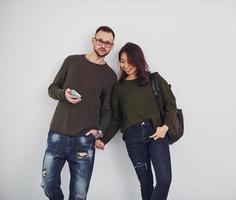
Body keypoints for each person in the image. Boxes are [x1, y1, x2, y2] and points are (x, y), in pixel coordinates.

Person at [41, 26, 117, 200]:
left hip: (84, 141)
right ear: (93, 40)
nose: (103, 45)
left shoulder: (110, 76)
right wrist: (63, 94)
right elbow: (52, 89)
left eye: (108, 43)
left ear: (112, 46)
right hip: (57, 135)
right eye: (100, 40)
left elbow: (107, 111)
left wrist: (100, 132)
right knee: (47, 183)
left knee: (79, 195)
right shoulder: (72, 61)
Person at [99, 42, 177, 200]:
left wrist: (165, 127)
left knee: (164, 180)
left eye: (130, 61)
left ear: (139, 60)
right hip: (133, 138)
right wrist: (103, 139)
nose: (125, 65)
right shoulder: (118, 88)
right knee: (146, 183)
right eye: (122, 61)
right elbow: (116, 118)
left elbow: (171, 104)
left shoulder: (154, 79)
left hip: (156, 133)